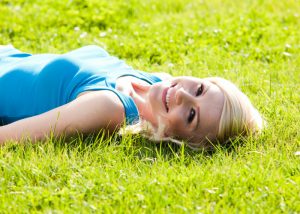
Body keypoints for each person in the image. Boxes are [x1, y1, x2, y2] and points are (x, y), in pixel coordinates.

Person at [0, 45, 263, 150]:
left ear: (181, 139)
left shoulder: (108, 107)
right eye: (200, 90)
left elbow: (7, 139)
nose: (182, 94)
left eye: (191, 115)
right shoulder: (157, 78)